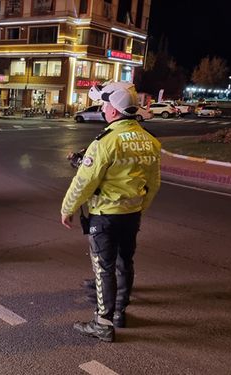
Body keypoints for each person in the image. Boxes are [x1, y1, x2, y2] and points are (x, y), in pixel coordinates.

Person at [60, 81, 161, 342]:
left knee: (103, 268)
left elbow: (84, 182)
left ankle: (103, 323)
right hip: (131, 215)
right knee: (124, 262)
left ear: (114, 111)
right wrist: (140, 208)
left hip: (105, 215)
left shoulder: (105, 142)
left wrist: (67, 208)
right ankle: (119, 313)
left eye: (105, 104)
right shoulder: (149, 141)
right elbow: (154, 183)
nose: (103, 108)